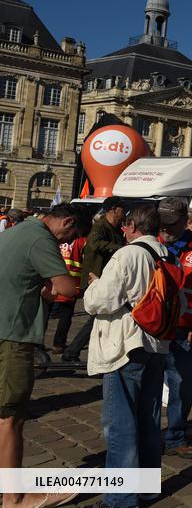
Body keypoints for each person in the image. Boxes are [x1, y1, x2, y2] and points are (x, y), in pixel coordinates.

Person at [0, 204, 91, 508]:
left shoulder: (19, 230)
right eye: (70, 235)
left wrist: (42, 286)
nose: (66, 242)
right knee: (10, 418)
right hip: (12, 335)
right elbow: (66, 287)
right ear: (66, 221)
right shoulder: (41, 238)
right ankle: (14, 498)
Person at [84, 204, 170, 508]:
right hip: (156, 345)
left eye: (126, 225)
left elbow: (99, 302)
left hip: (127, 345)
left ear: (133, 226)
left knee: (120, 424)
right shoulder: (164, 253)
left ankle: (120, 498)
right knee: (148, 420)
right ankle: (146, 487)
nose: (123, 229)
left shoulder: (128, 254)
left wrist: (94, 286)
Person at [160, 201, 192, 459]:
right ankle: (147, 435)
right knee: (147, 389)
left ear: (184, 222)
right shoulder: (152, 243)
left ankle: (176, 437)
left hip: (184, 328)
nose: (168, 228)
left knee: (182, 387)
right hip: (152, 328)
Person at [63, 197, 127, 363]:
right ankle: (71, 353)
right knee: (97, 318)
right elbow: (95, 244)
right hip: (95, 278)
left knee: (100, 318)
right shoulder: (100, 226)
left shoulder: (116, 229)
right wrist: (121, 250)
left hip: (106, 278)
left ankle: (77, 352)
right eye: (122, 209)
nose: (124, 212)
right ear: (113, 210)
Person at [48, 233, 87, 355]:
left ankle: (37, 345)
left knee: (45, 314)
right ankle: (58, 344)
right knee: (66, 316)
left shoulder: (57, 238)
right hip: (70, 283)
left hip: (53, 280)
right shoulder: (82, 242)